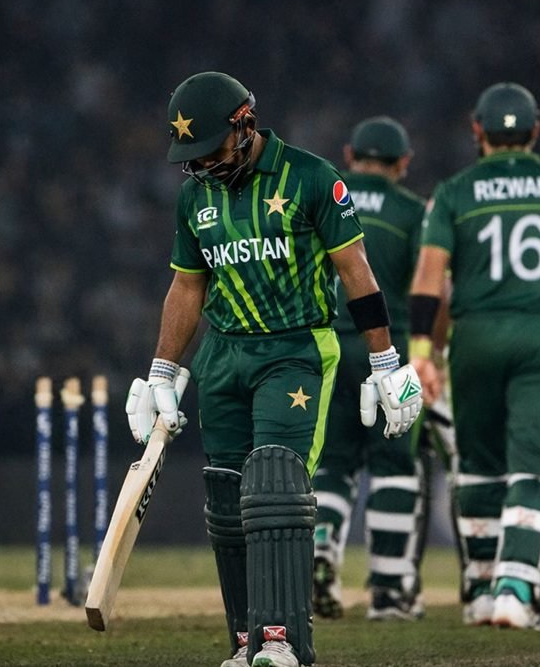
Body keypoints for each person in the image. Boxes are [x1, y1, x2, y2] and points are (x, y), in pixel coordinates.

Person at [126, 72, 423, 667]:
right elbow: (187, 287)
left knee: (276, 484)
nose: (203, 165)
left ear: (245, 125)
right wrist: (162, 371)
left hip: (295, 351)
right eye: (193, 157)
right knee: (227, 495)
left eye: (210, 150)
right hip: (223, 355)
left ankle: (283, 641)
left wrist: (385, 361)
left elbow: (357, 272)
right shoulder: (195, 197)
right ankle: (245, 640)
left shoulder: (313, 179)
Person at [408, 82, 540, 630]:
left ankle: (481, 589)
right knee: (535, 463)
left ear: (477, 131)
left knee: (480, 468)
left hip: (475, 339)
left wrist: (424, 350)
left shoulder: (454, 192)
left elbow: (430, 280)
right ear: (535, 131)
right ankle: (517, 586)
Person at [311, 116, 433, 622]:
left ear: (348, 153)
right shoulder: (414, 211)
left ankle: (319, 553)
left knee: (333, 465)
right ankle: (388, 590)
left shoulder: (322, 198)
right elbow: (431, 284)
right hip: (392, 351)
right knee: (394, 468)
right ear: (403, 163)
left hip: (327, 351)